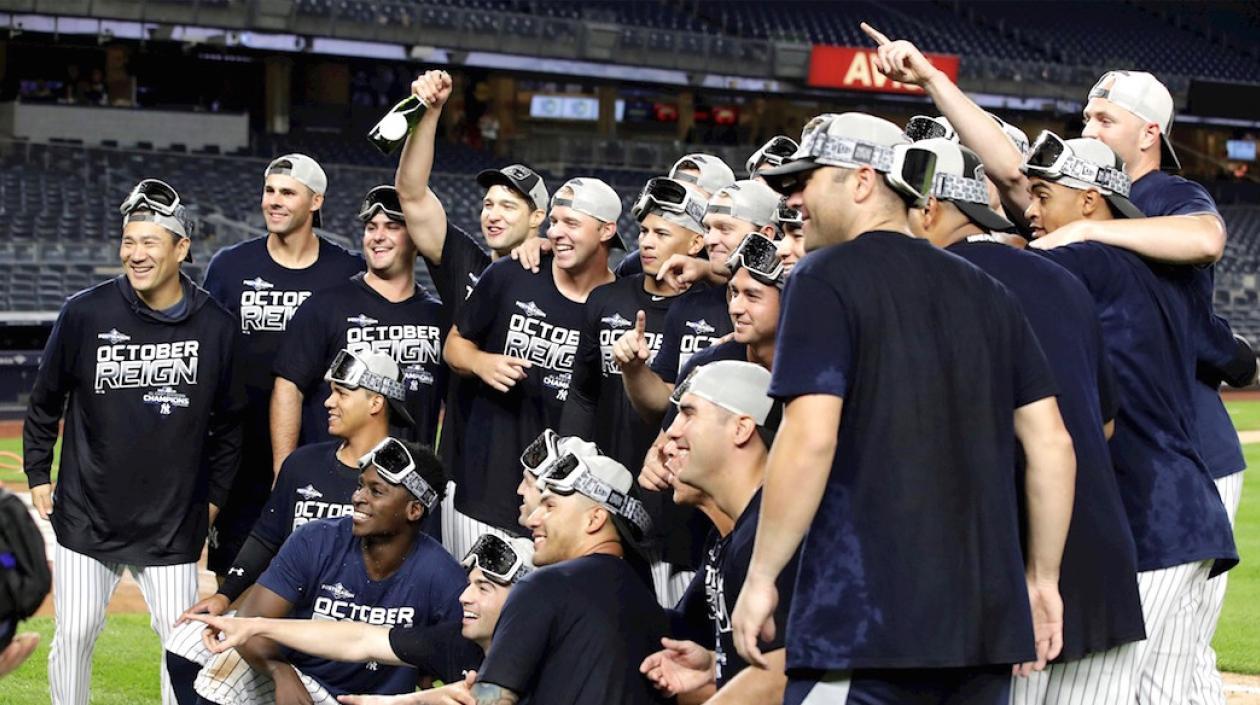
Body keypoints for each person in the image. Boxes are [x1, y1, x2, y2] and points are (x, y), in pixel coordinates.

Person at [860, 49, 1249, 696]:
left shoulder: (1137, 221)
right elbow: (1016, 178)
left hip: (1156, 506)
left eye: (1103, 118)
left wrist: (1079, 236)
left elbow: (1206, 237)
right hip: (1178, 501)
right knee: (1174, 688)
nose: (1027, 206)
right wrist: (935, 84)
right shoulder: (1120, 253)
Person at [732, 113, 1077, 704]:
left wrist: (761, 576)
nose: (794, 199)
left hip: (866, 622)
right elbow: (1051, 443)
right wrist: (1042, 580)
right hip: (985, 627)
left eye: (808, 179)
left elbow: (811, 436)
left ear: (862, 181)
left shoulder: (824, 276)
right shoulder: (988, 291)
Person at [909, 138, 1148, 699]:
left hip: (1001, 578)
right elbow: (1103, 423)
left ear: (929, 209)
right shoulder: (1060, 278)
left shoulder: (923, 287)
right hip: (1098, 566)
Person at [1022, 134, 1240, 703]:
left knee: (1093, 692)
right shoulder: (1157, 271)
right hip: (1189, 520)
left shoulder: (1083, 259)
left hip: (1146, 518)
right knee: (1171, 692)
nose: (1030, 210)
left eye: (1043, 194)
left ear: (1091, 202)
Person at [24, 179, 243, 705]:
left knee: (179, 647)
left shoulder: (215, 325)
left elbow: (231, 427)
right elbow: (44, 400)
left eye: (149, 243)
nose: (135, 254)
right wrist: (37, 475)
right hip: (86, 516)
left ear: (181, 248)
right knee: (73, 636)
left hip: (170, 524)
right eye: (128, 241)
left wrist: (212, 503)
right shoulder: (85, 313)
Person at [167, 350, 421, 682]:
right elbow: (266, 537)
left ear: (375, 403)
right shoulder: (302, 465)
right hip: (290, 626)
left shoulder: (410, 478)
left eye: (341, 393)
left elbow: (420, 565)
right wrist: (224, 595)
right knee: (186, 645)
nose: (328, 402)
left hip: (364, 634)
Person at [397, 70, 550, 556]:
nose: (493, 213)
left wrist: (548, 249)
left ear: (538, 218)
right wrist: (431, 114)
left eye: (510, 204)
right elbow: (412, 194)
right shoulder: (470, 265)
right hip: (466, 470)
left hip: (536, 476)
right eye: (488, 203)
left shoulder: (559, 277)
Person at [187, 439, 464, 705]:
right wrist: (280, 673)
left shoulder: (441, 574)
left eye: (376, 491)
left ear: (414, 510)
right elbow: (248, 623)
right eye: (360, 486)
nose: (358, 497)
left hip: (378, 701)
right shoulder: (315, 539)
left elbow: (467, 664)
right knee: (221, 673)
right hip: (305, 685)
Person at [202, 153, 363, 581]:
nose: (274, 200)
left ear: (315, 202)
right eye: (269, 190)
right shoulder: (229, 266)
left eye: (287, 193)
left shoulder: (348, 270)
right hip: (240, 454)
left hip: (321, 448)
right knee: (234, 577)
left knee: (323, 575)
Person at [441, 178, 619, 558]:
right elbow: (454, 345)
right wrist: (480, 362)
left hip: (563, 503)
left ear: (607, 230)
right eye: (553, 222)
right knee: (473, 608)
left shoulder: (618, 303)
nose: (556, 233)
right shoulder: (511, 275)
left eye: (571, 223)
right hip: (484, 490)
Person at [188, 533, 535, 705]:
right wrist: (255, 625)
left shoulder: (555, 660)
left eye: (484, 588)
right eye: (470, 584)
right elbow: (358, 639)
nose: (464, 596)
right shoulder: (454, 643)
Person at [642, 361, 800, 704]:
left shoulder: (774, 535)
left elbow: (793, 671)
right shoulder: (730, 538)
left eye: (688, 414)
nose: (670, 432)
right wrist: (717, 670)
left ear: (741, 428)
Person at [471, 451, 667, 705]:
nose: (532, 519)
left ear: (594, 519)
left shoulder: (544, 587)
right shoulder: (653, 609)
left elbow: (490, 700)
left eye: (550, 506)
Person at [272, 185, 448, 454]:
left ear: (416, 238)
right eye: (371, 227)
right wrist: (283, 470)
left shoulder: (438, 317)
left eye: (391, 227)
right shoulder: (324, 307)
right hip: (331, 485)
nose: (378, 236)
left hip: (406, 483)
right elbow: (288, 388)